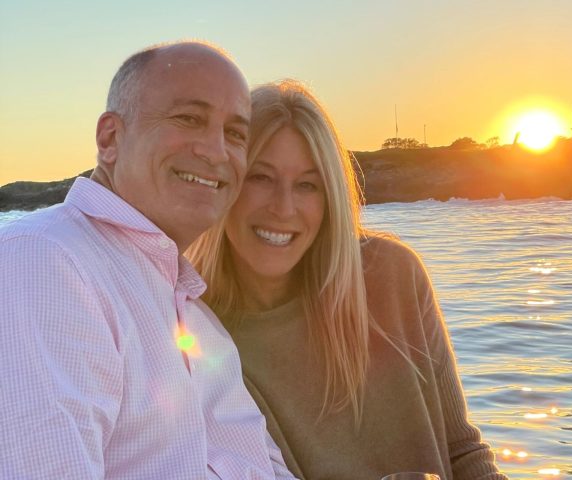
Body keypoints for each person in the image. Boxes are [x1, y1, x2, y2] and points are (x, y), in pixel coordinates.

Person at [0, 42, 296, 479]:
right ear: (110, 138)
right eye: (189, 119)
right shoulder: (43, 261)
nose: (217, 152)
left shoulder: (198, 320)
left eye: (235, 133)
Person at [187, 81, 508, 480]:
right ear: (227, 181)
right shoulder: (194, 335)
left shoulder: (393, 276)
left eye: (308, 185)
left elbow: (462, 450)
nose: (283, 208)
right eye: (260, 177)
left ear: (331, 198)